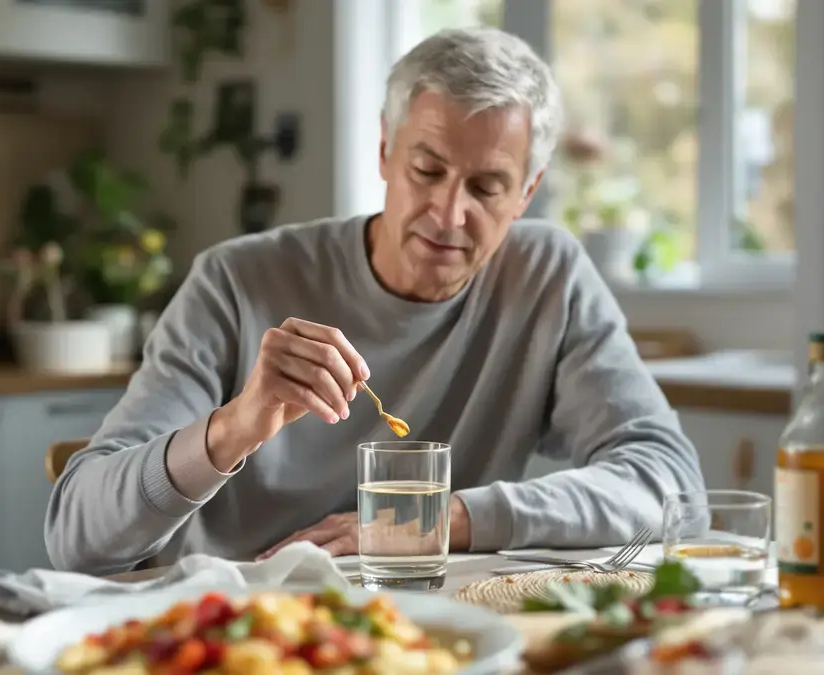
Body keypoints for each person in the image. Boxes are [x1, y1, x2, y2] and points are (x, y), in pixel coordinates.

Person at [45, 27, 705, 575]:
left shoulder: (547, 276)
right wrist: (235, 426)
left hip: (435, 633)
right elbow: (77, 538)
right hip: (234, 635)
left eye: (487, 186)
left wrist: (438, 518)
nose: (449, 213)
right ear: (386, 153)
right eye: (427, 170)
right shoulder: (235, 281)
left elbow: (672, 485)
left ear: (527, 193)